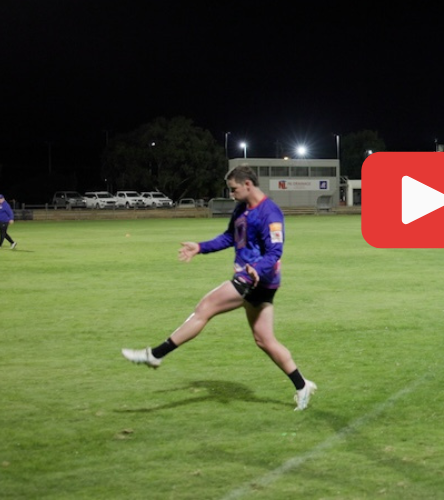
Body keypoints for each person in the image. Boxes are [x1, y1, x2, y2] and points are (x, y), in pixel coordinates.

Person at [122, 165, 317, 411]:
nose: (231, 194)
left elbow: (275, 251)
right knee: (264, 340)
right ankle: (302, 385)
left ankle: (156, 354)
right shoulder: (241, 209)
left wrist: (257, 268)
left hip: (256, 279)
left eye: (234, 189)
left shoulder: (270, 212)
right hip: (253, 278)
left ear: (248, 184)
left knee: (204, 308)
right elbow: (228, 237)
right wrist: (200, 247)